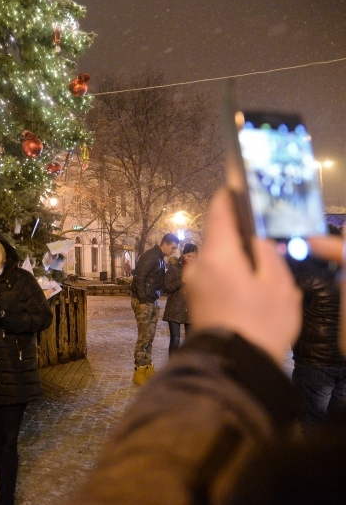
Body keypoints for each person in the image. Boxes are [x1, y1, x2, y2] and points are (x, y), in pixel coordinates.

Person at [74, 189, 346, 505]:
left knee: (314, 418)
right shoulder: (158, 261)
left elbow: (145, 483)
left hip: (314, 361)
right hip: (323, 361)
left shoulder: (307, 281)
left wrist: (219, 347)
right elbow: (156, 283)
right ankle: (142, 368)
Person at [0, 230, 53, 505]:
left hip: (14, 369)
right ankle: (3, 489)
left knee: (6, 438)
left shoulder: (22, 280)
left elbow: (43, 317)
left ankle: (5, 496)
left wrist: (6, 318)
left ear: (4, 256)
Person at [291, 223, 346, 427]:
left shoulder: (308, 277)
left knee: (312, 420)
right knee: (337, 423)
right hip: (342, 358)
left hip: (314, 362)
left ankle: (316, 459)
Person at [129, 233, 179, 385]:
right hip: (144, 301)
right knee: (144, 337)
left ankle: (147, 367)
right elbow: (139, 278)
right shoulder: (151, 256)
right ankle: (139, 371)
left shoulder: (161, 259)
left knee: (149, 337)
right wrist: (143, 300)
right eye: (173, 247)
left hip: (152, 300)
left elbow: (161, 284)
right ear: (165, 244)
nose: (174, 251)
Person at [161, 243, 197, 356]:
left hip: (191, 309)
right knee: (175, 339)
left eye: (194, 256)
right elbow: (166, 287)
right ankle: (172, 367)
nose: (191, 259)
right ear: (183, 255)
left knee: (190, 341)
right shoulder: (174, 267)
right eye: (188, 256)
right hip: (175, 308)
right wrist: (181, 280)